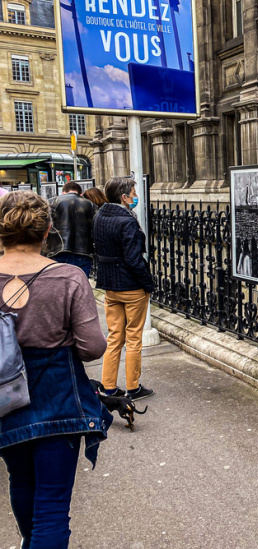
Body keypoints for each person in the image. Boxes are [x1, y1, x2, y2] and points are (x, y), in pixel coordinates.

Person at [0, 191, 111, 548]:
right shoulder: (68, 277)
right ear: (48, 230)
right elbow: (93, 346)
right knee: (52, 503)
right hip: (58, 396)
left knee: (21, 482)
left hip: (5, 399)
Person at [93, 177, 155, 400]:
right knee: (133, 338)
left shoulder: (100, 216)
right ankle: (133, 387)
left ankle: (108, 387)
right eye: (132, 192)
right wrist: (148, 283)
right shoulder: (127, 221)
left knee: (114, 337)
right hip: (131, 286)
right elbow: (133, 259)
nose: (134, 195)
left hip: (110, 285)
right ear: (124, 197)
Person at [50, 181, 96, 277]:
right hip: (84, 251)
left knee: (60, 287)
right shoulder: (90, 204)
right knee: (81, 287)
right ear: (80, 193)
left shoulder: (53, 202)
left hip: (58, 250)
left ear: (63, 192)